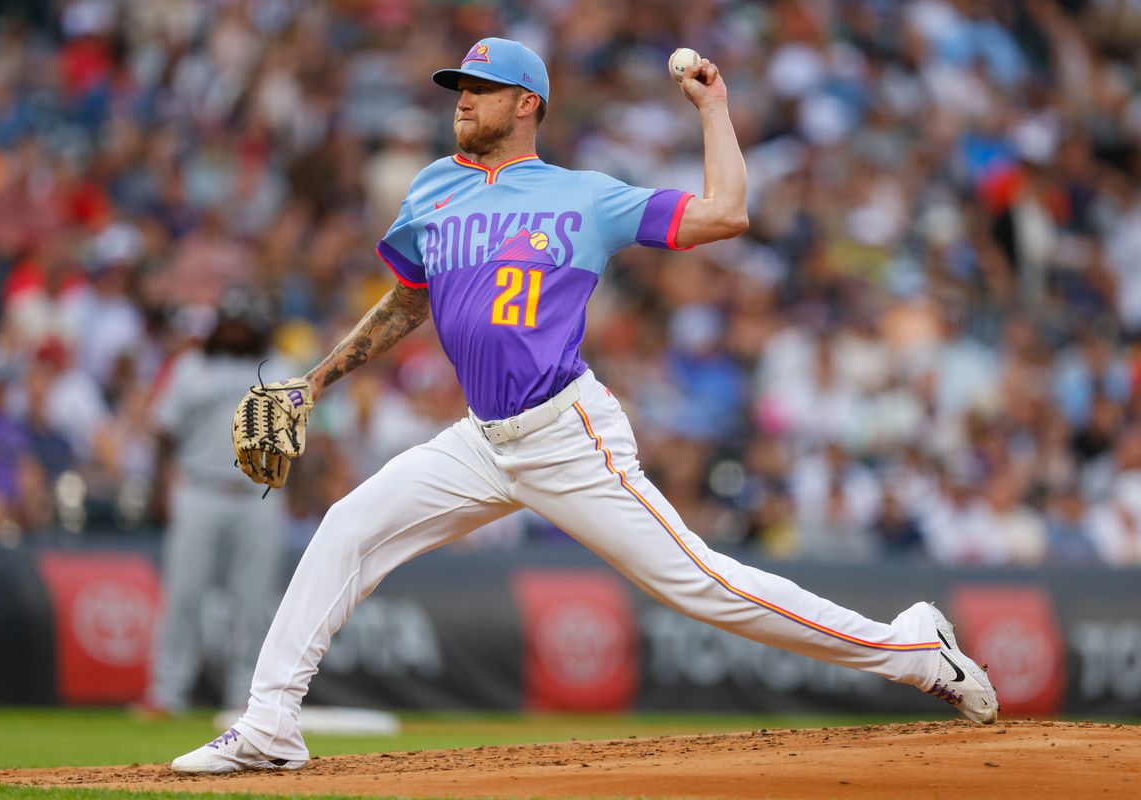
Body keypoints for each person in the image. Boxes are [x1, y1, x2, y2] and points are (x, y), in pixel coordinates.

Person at [172, 38, 997, 774]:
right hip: (479, 441)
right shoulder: (434, 191)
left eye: (481, 88)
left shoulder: (584, 197)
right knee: (348, 528)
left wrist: (714, 108)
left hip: (568, 436)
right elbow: (406, 301)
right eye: (457, 85)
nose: (462, 98)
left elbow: (726, 212)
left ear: (526, 103)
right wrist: (314, 381)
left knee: (707, 586)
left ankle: (913, 649)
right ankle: (271, 722)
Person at [143, 287, 293, 718]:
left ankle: (246, 699)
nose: (236, 330)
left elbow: (298, 440)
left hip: (258, 495)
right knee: (184, 595)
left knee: (253, 601)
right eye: (230, 323)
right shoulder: (191, 367)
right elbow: (163, 431)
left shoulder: (280, 367)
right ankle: (166, 692)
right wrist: (158, 488)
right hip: (198, 490)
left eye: (244, 323)